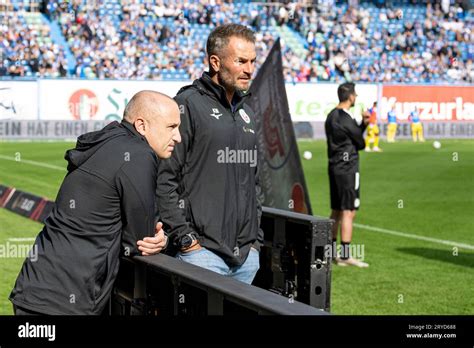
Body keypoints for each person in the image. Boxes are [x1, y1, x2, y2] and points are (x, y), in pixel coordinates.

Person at [9, 91, 181, 315]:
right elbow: (142, 239)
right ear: (142, 125)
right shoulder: (139, 154)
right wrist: (165, 240)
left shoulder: (106, 140)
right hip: (66, 301)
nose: (178, 137)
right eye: (171, 127)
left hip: (35, 288)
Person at [156, 23, 263, 284]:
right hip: (202, 255)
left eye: (252, 61)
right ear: (215, 62)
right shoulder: (187, 105)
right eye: (241, 61)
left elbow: (255, 183)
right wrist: (186, 239)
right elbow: (163, 178)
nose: (249, 70)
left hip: (246, 259)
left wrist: (255, 242)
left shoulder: (248, 111)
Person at [325, 82, 370, 268]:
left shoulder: (331, 116)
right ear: (350, 96)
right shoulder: (345, 117)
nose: (356, 98)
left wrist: (361, 125)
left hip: (334, 167)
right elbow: (360, 143)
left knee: (336, 210)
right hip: (348, 169)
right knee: (349, 211)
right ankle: (345, 255)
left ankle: (331, 252)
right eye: (355, 95)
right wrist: (364, 125)